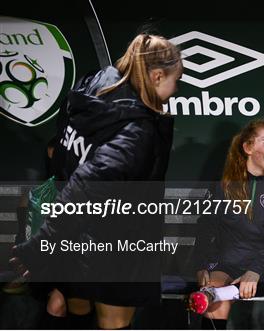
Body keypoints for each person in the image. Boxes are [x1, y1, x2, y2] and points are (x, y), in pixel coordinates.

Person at [10, 33, 182, 329]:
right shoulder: (137, 133)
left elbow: (65, 161)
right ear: (156, 75)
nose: (176, 89)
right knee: (114, 322)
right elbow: (84, 188)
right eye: (176, 80)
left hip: (76, 240)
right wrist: (41, 245)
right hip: (114, 242)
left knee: (77, 305)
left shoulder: (92, 84)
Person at [190, 119, 264, 329]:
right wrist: (201, 265)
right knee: (214, 295)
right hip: (227, 261)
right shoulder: (225, 181)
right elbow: (206, 224)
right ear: (248, 147)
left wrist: (256, 270)